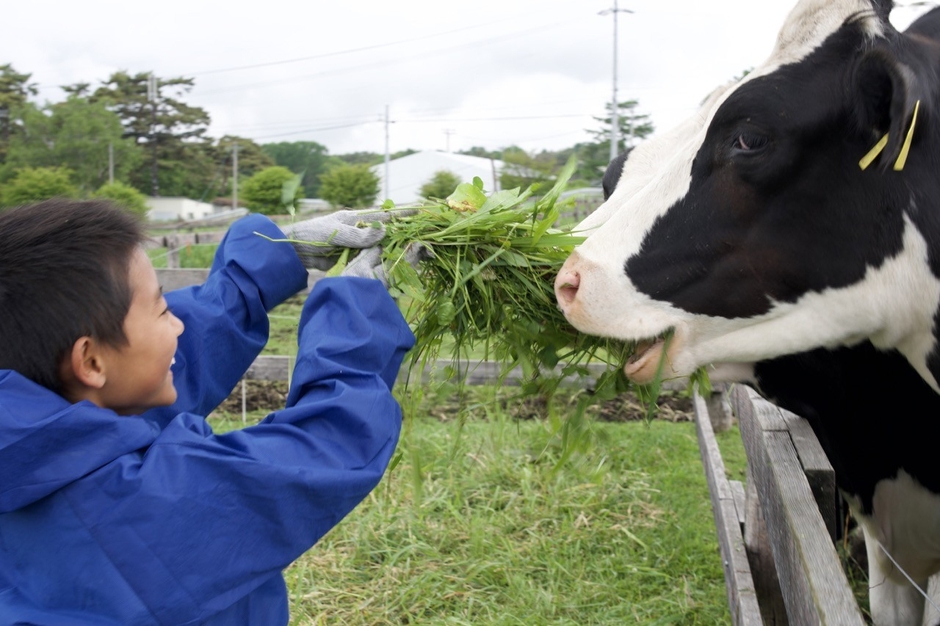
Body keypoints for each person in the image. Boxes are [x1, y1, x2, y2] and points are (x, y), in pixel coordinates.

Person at [0, 198, 416, 625]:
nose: (178, 324)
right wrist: (356, 315)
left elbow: (165, 362)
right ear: (89, 361)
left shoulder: (34, 437)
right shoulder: (127, 515)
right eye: (163, 309)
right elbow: (325, 446)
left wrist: (274, 255)